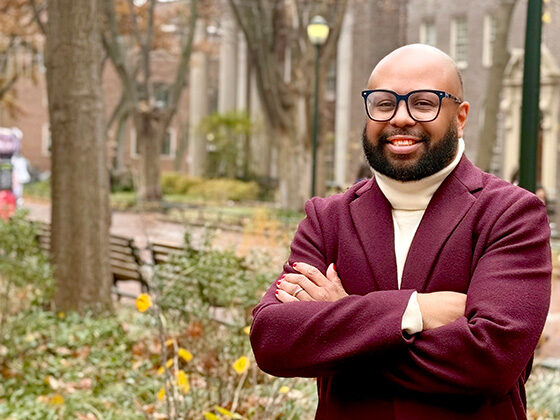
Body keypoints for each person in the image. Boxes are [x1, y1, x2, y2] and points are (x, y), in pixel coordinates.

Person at [250, 44, 551, 419]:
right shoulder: (327, 218)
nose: (401, 118)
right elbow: (273, 341)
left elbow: (492, 363)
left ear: (460, 117)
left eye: (424, 103)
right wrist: (415, 310)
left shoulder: (509, 214)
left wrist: (341, 323)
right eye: (383, 103)